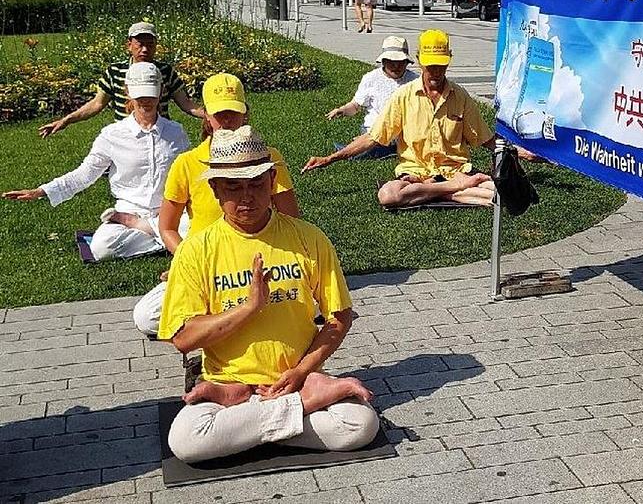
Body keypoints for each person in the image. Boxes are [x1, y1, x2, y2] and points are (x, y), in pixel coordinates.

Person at [159, 125, 379, 464]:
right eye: (233, 186)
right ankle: (298, 408)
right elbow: (184, 339)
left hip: (296, 379)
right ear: (216, 189)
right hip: (228, 382)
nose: (246, 196)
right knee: (187, 441)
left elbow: (340, 317)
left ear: (272, 181)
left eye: (256, 184)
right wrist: (249, 308)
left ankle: (246, 427)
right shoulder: (196, 250)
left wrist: (303, 371)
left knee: (360, 424)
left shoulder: (308, 238)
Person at [131, 72, 300, 335]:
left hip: (259, 261)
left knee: (296, 300)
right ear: (206, 116)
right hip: (205, 262)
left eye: (233, 112)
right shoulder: (187, 163)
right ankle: (234, 316)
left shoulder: (269, 158)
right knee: (146, 317)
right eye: (219, 114)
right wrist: (187, 261)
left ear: (246, 114)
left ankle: (225, 320)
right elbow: (167, 228)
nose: (227, 121)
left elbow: (292, 221)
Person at [3, 63, 190, 260]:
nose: (146, 101)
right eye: (140, 95)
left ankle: (144, 228)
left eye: (151, 94)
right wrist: (42, 191)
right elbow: (85, 174)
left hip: (169, 210)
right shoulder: (112, 135)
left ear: (161, 92)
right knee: (102, 247)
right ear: (127, 92)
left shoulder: (176, 132)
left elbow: (188, 174)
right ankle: (167, 239)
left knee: (205, 228)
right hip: (130, 209)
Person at [302, 29, 498, 208]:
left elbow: (486, 138)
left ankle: (438, 190)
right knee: (388, 195)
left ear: (449, 60)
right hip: (415, 173)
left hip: (453, 169)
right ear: (420, 59)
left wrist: (521, 151)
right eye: (430, 65)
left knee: (499, 194)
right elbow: (373, 137)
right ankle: (456, 189)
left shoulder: (461, 96)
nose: (436, 72)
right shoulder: (403, 96)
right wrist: (331, 158)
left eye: (441, 65)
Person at [38, 22, 203, 137]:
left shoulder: (165, 71)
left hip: (160, 132)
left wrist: (214, 115)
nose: (145, 49)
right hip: (126, 135)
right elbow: (97, 104)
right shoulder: (115, 71)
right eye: (140, 44)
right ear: (129, 45)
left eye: (150, 44)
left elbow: (186, 104)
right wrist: (66, 120)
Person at [323, 36, 418, 160]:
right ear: (383, 61)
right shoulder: (371, 78)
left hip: (403, 130)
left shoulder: (414, 81)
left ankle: (370, 149)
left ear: (406, 62)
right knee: (373, 141)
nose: (396, 66)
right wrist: (342, 110)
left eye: (401, 62)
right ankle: (356, 150)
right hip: (374, 127)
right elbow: (356, 105)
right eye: (392, 62)